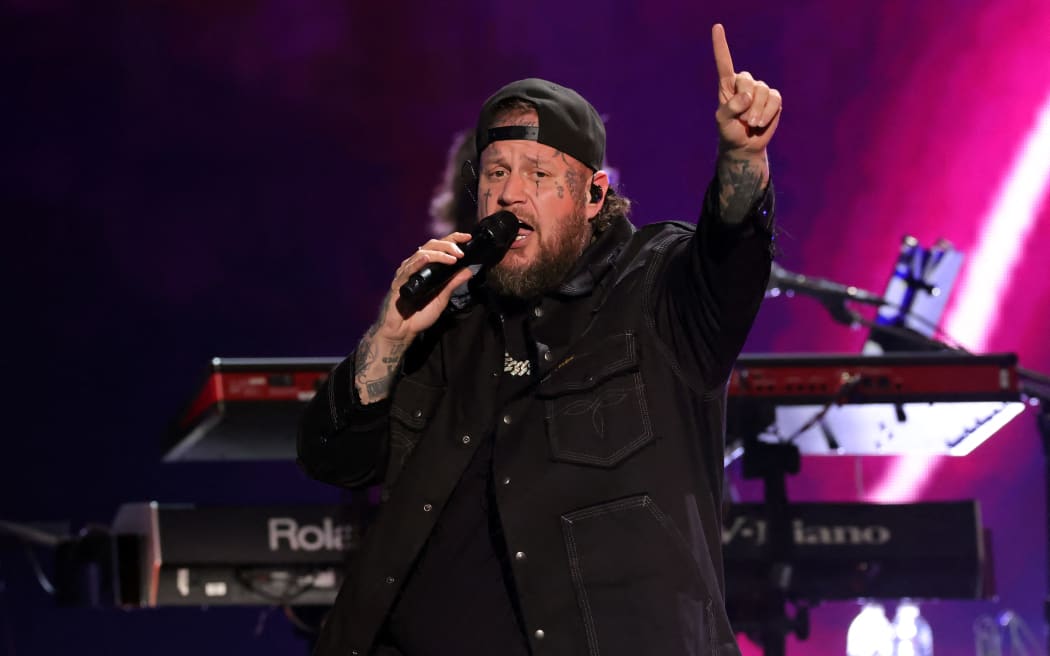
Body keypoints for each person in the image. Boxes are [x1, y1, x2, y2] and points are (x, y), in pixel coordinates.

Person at [298, 24, 781, 656]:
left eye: (538, 172)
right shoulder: (448, 321)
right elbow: (332, 460)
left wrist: (742, 159)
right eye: (496, 171)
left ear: (593, 195)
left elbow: (729, 251)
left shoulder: (654, 287)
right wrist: (389, 337)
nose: (509, 192)